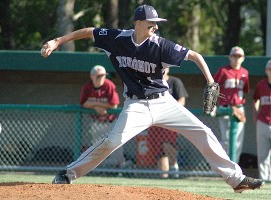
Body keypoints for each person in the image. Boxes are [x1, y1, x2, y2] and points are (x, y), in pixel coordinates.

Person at [41, 4, 264, 193]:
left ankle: (236, 179)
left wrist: (210, 81)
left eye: (156, 22)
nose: (155, 26)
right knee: (111, 142)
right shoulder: (118, 39)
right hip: (135, 105)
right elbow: (90, 31)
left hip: (164, 102)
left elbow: (195, 56)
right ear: (138, 23)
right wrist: (57, 41)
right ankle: (68, 174)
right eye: (151, 22)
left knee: (202, 131)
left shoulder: (160, 45)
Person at [80, 65, 125, 168]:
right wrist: (96, 107)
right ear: (92, 76)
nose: (101, 78)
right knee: (97, 148)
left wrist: (94, 103)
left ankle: (120, 169)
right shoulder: (87, 87)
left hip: (111, 122)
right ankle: (99, 169)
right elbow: (83, 103)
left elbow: (114, 105)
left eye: (103, 76)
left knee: (116, 147)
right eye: (98, 76)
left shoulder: (109, 85)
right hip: (96, 123)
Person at [148, 67, 188, 178]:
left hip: (170, 120)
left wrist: (168, 110)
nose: (162, 70)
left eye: (164, 68)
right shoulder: (152, 82)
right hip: (155, 121)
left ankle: (174, 167)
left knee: (167, 144)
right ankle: (163, 178)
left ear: (168, 69)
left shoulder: (175, 81)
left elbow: (182, 101)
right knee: (159, 152)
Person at [213, 46, 250, 162]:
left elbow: (245, 91)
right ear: (230, 57)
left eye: (239, 56)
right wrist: (213, 104)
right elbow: (213, 87)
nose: (236, 59)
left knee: (238, 141)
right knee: (226, 140)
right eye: (234, 56)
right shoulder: (223, 71)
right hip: (225, 108)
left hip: (238, 108)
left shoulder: (245, 73)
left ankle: (235, 168)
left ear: (243, 58)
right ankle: (223, 167)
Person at [253, 60, 271, 181]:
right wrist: (255, 115)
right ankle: (264, 180)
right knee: (263, 154)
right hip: (263, 121)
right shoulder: (261, 85)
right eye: (270, 69)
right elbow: (255, 99)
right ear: (266, 70)